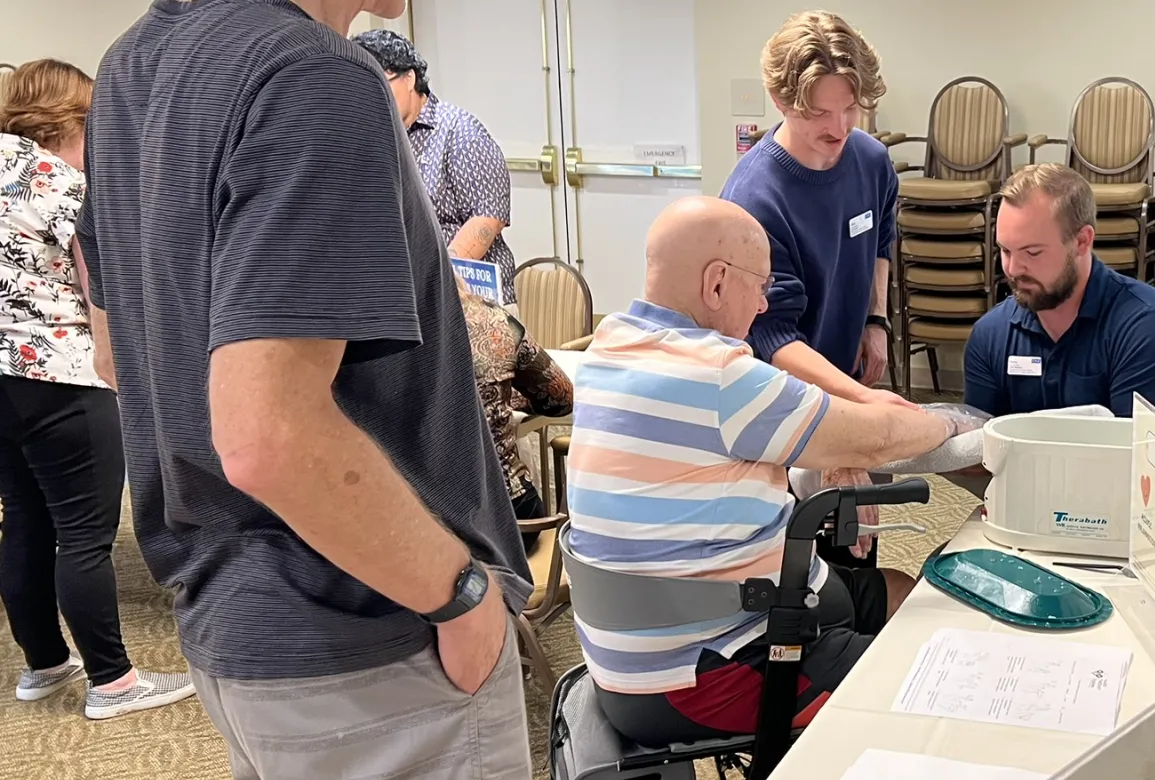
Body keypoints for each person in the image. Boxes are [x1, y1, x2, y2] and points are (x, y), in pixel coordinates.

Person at [79, 1, 534, 776]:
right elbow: (268, 437)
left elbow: (120, 357)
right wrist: (458, 596)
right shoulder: (314, 71)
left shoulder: (134, 63)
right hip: (371, 637)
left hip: (235, 622)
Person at [567, 196, 963, 747]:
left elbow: (731, 456)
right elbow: (879, 438)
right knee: (938, 681)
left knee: (896, 591)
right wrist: (947, 421)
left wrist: (834, 443)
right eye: (761, 287)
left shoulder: (609, 349)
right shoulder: (719, 376)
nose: (761, 306)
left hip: (642, 652)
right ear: (717, 283)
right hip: (714, 668)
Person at [0, 58, 195, 720]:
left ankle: (43, 664)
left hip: (1, 378)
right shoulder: (61, 182)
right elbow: (100, 288)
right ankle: (113, 683)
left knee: (24, 522)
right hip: (62, 376)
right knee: (84, 535)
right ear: (69, 120)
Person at [721, 10, 912, 569]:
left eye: (850, 108)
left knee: (857, 549)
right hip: (781, 397)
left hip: (842, 375)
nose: (839, 127)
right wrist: (845, 427)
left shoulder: (870, 161)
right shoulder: (755, 199)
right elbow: (773, 336)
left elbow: (882, 235)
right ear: (781, 101)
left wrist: (876, 321)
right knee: (805, 569)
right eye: (820, 113)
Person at [964, 163, 1155, 456]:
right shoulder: (990, 334)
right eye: (1005, 250)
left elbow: (1147, 467)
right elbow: (979, 455)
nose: (1013, 269)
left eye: (1032, 253)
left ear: (1082, 241)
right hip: (1041, 494)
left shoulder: (1150, 326)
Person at [352, 29, 520, 304]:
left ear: (409, 78)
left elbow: (488, 216)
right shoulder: (375, 135)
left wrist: (440, 282)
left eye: (381, 83)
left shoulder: (458, 130)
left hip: (468, 299)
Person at [459, 287, 573, 552]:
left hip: (420, 526)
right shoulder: (491, 320)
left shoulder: (370, 336)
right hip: (510, 517)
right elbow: (560, 397)